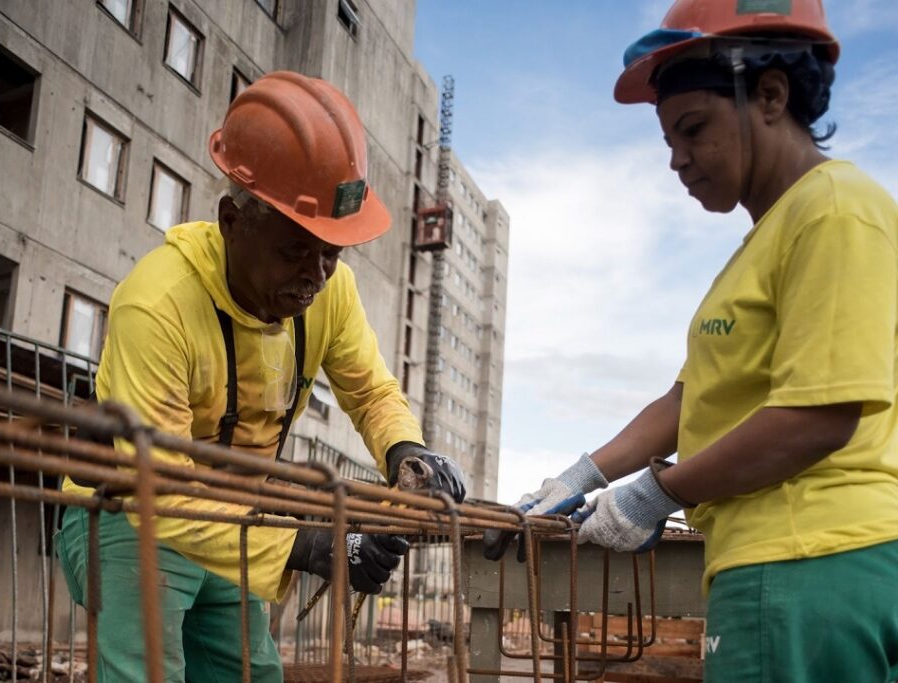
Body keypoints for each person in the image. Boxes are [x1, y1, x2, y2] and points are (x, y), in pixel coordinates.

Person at [485, 1, 898, 680]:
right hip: (789, 566)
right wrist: (584, 475)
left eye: (694, 128)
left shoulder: (833, 212)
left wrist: (655, 493)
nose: (677, 159)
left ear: (771, 95)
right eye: (668, 140)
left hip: (805, 561)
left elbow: (819, 416)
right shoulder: (764, 244)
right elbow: (688, 399)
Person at [55, 70, 466, 682]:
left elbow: (371, 390)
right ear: (231, 220)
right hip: (129, 512)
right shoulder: (158, 303)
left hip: (236, 520)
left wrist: (408, 452)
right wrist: (314, 546)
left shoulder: (330, 292)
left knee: (249, 673)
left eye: (331, 252)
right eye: (295, 250)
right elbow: (160, 492)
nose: (316, 275)